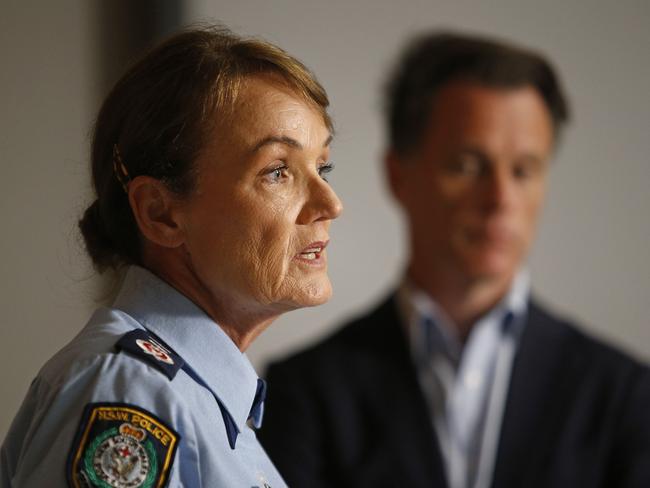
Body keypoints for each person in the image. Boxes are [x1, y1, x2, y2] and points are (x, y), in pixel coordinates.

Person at [259, 31, 650, 488]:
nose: (501, 198)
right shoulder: (305, 391)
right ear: (397, 174)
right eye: (468, 165)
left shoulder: (624, 394)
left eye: (524, 170)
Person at [0, 26, 342, 487]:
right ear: (161, 213)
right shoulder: (130, 395)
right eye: (277, 171)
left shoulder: (195, 400)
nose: (330, 204)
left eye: (322, 167)